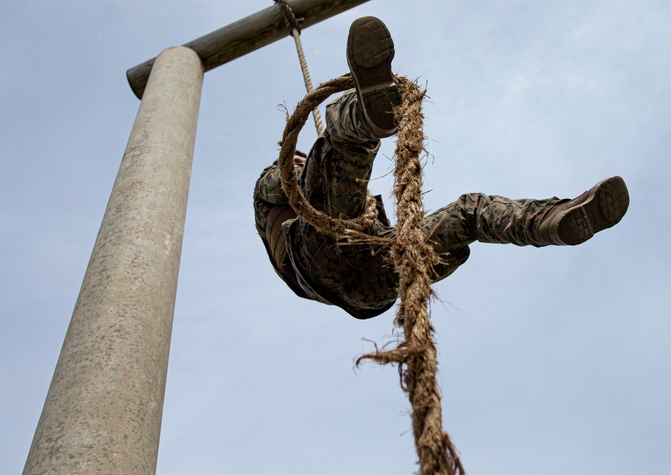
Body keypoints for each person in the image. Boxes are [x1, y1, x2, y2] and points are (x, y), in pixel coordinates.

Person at [254, 16, 630, 319]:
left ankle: (550, 221)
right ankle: (368, 116)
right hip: (320, 263)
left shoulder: (347, 201)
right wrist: (311, 169)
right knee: (341, 143)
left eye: (301, 158)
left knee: (468, 212)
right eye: (296, 158)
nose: (301, 159)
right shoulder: (271, 184)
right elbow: (288, 184)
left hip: (375, 283)